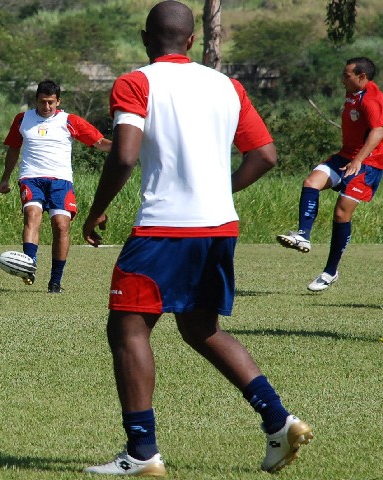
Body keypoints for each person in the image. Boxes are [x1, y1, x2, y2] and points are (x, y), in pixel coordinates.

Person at [81, 1, 312, 475]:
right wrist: (216, 190)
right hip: (219, 228)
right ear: (190, 41)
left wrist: (97, 210)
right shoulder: (227, 85)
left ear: (146, 39)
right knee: (200, 327)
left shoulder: (135, 82)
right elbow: (265, 155)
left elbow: (124, 156)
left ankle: (142, 453)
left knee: (127, 328)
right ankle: (277, 419)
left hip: (165, 229)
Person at [276, 57, 383, 291]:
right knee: (311, 181)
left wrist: (358, 160)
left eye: (347, 75)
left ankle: (330, 272)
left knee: (341, 213)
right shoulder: (353, 92)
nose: (342, 79)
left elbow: (378, 132)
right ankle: (303, 234)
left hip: (369, 163)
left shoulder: (371, 98)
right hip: (345, 156)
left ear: (362, 77)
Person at [0, 80, 111, 293]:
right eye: (42, 102)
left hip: (61, 181)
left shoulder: (70, 121)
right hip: (31, 177)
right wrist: (5, 179)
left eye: (51, 102)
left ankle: (55, 281)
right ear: (36, 100)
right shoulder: (23, 119)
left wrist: (129, 146)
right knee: (32, 214)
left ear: (58, 101)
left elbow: (100, 143)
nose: (46, 107)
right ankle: (28, 266)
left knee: (61, 225)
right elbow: (13, 148)